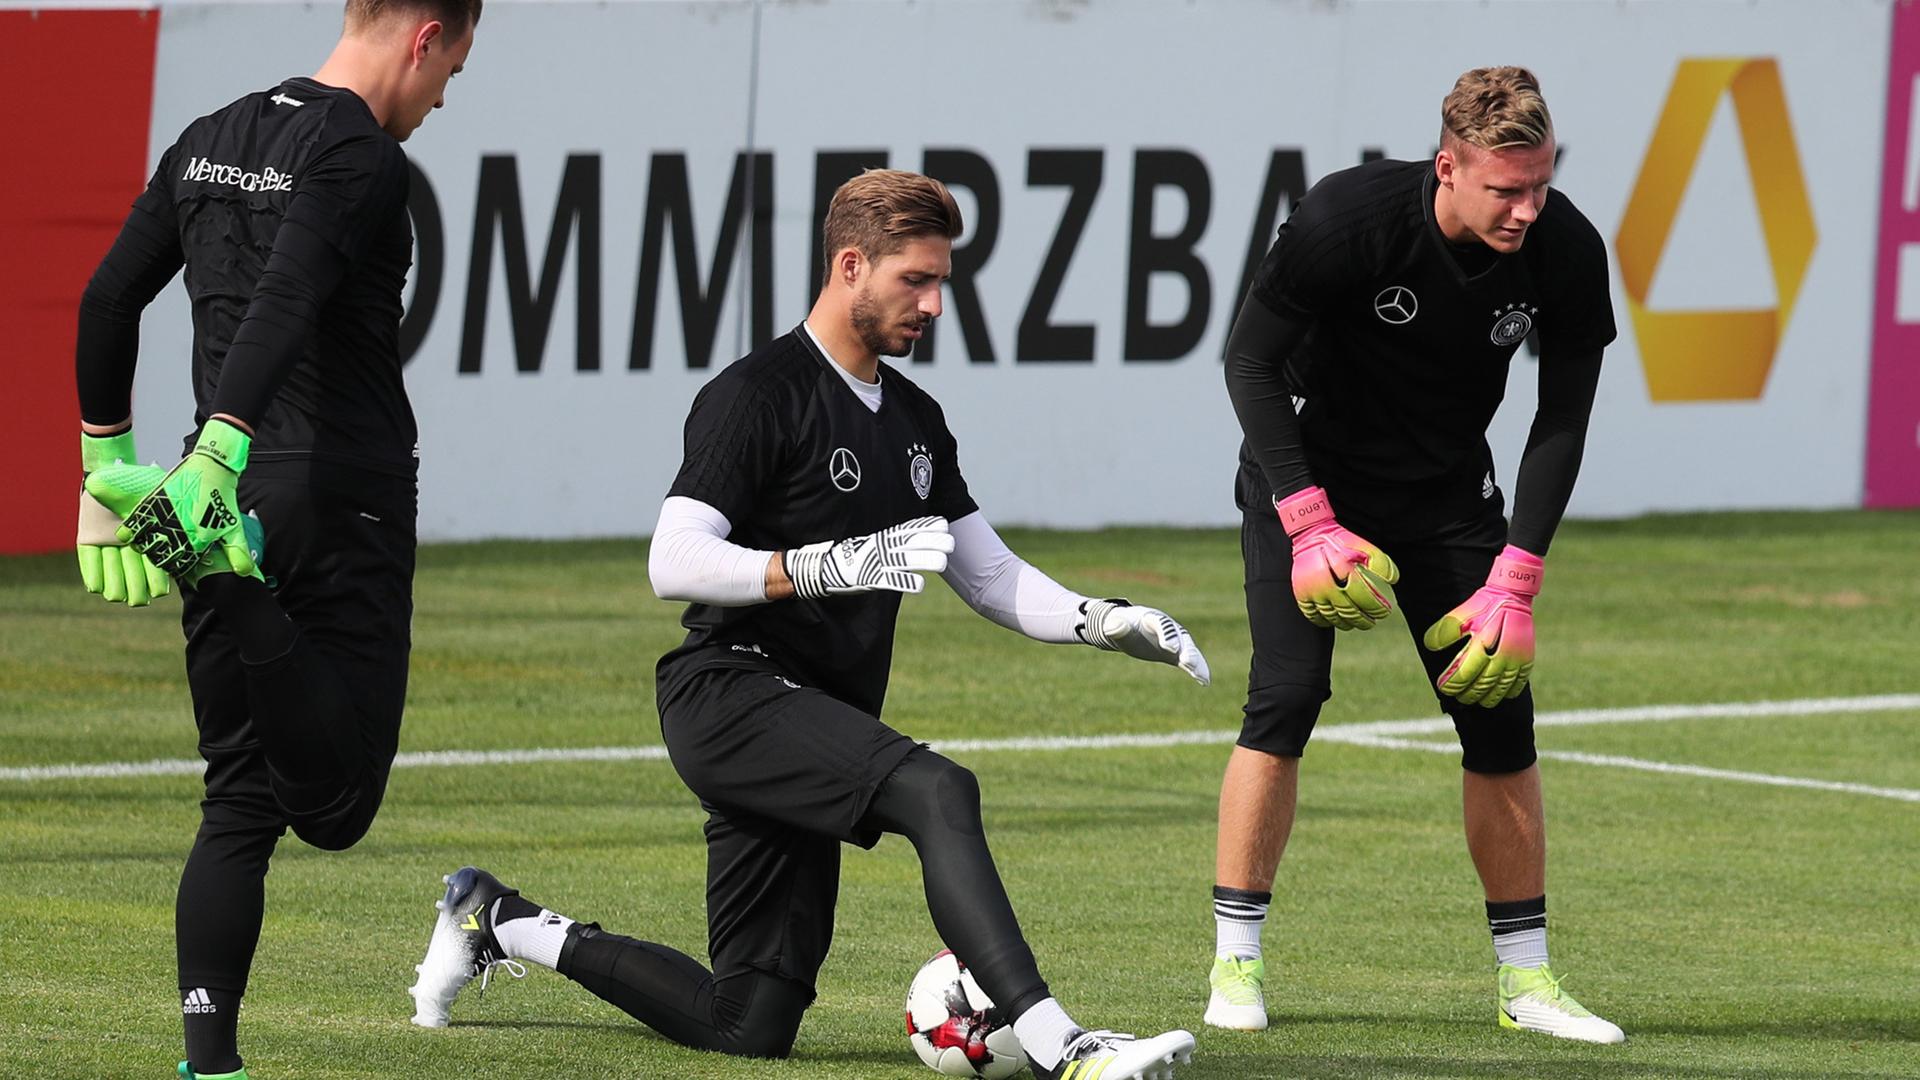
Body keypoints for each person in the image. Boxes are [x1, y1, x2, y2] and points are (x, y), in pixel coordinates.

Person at [407, 169, 1203, 1080]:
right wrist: (816, 568)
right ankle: (1067, 1048)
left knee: (746, 1021)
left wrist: (1101, 620)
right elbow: (672, 559)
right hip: (730, 692)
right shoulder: (758, 392)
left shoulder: (915, 418)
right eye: (917, 279)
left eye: (944, 281)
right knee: (941, 792)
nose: (936, 304)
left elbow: (985, 572)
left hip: (815, 716)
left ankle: (497, 921)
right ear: (850, 264)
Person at [74, 3, 479, 1076]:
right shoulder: (360, 153)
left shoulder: (209, 132)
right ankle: (238, 586)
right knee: (337, 807)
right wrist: (217, 455)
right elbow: (290, 296)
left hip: (224, 494)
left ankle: (211, 1064)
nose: (445, 97)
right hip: (329, 491)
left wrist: (101, 472)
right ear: (425, 35)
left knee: (238, 803)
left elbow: (110, 296)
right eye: (454, 69)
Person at [1204, 67, 1625, 1044]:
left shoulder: (1564, 248)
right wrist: (1308, 520)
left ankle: (1527, 984)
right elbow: (1250, 362)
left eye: (1542, 184)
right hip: (1309, 475)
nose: (1528, 208)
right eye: (1505, 189)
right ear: (1448, 166)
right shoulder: (1347, 221)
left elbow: (1562, 418)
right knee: (1287, 696)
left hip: (1444, 492)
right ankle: (1236, 961)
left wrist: (1518, 576)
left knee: (1497, 708)